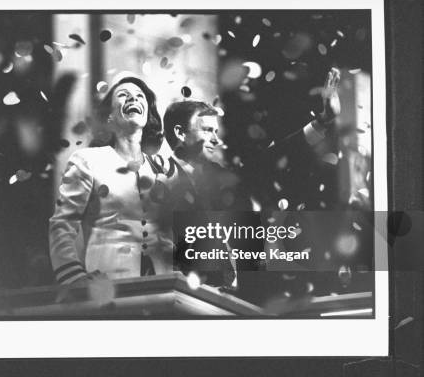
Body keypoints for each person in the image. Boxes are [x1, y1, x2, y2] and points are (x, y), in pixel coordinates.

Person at [159, 68, 341, 294]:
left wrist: (322, 122)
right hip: (179, 297)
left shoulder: (222, 178)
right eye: (207, 131)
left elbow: (271, 158)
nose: (216, 139)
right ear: (180, 133)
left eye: (217, 131)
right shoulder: (156, 176)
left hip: (233, 300)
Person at [48, 77, 173, 285]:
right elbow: (62, 224)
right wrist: (74, 277)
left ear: (148, 115)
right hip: (110, 283)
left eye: (140, 96)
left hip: (165, 285)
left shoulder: (163, 168)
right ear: (109, 117)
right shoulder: (88, 160)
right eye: (123, 95)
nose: (134, 97)